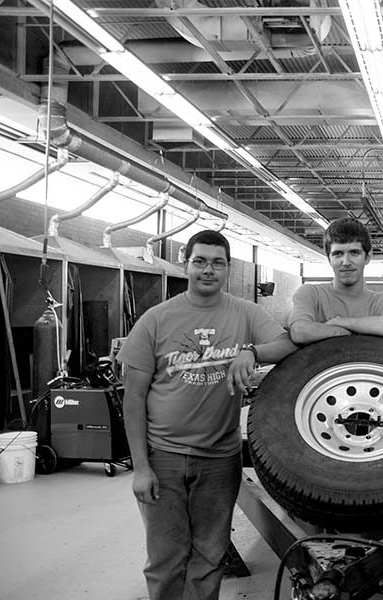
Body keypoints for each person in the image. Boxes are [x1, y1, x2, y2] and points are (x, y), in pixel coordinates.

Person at [118, 229, 296, 600]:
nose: (208, 270)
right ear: (187, 264)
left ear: (228, 269)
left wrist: (251, 351)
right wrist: (141, 468)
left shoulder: (245, 312)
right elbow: (132, 398)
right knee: (166, 559)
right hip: (163, 457)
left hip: (219, 459)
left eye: (217, 263)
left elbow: (287, 343)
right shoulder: (155, 320)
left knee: (209, 557)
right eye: (200, 261)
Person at [289, 217, 383, 343]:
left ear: (367, 257)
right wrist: (345, 332)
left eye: (354, 253)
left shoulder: (382, 301)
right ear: (329, 259)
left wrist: (339, 322)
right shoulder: (311, 294)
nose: (346, 262)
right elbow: (299, 332)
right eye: (338, 254)